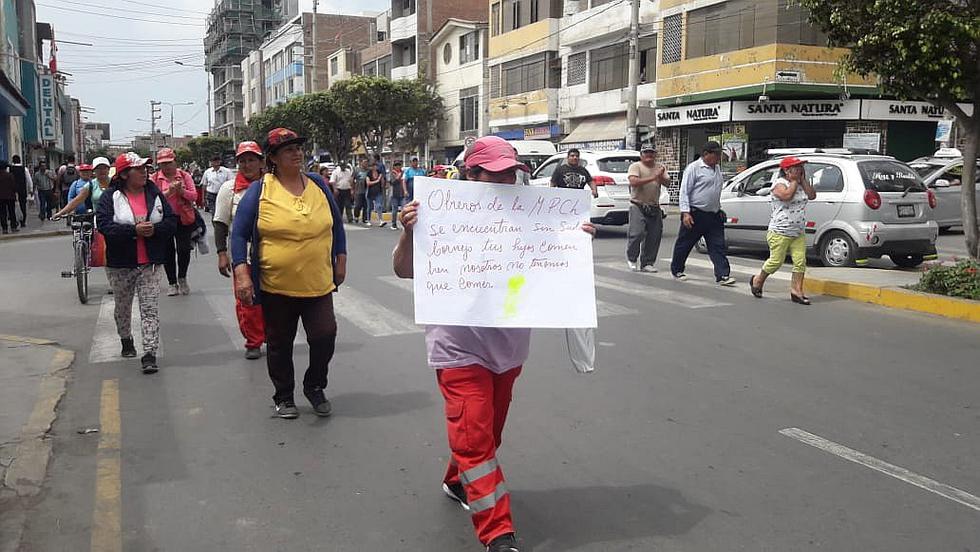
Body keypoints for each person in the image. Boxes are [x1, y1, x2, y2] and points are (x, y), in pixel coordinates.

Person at [393, 136, 595, 552]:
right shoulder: (438, 210)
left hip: (508, 345)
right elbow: (403, 270)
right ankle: (498, 533)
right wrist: (408, 233)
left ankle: (456, 480)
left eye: (510, 171)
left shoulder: (531, 211)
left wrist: (574, 240)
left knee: (486, 433)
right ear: (471, 173)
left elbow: (551, 268)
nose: (505, 179)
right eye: (495, 173)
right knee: (475, 438)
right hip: (457, 345)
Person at [231, 128, 347, 419]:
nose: (296, 153)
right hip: (276, 286)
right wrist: (242, 273)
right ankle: (283, 395)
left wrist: (341, 259)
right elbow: (238, 235)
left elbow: (337, 225)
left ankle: (314, 385)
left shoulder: (318, 183)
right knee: (279, 342)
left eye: (298, 148)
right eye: (288, 150)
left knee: (325, 335)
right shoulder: (260, 190)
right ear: (273, 158)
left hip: (318, 282)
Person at [96, 152, 178, 374]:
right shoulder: (110, 197)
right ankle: (126, 339)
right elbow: (104, 225)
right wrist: (133, 230)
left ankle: (149, 354)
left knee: (149, 309)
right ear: (124, 174)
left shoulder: (155, 194)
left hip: (150, 264)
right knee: (123, 308)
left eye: (145, 168)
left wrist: (155, 229)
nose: (144, 172)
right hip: (121, 264)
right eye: (138, 169)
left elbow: (171, 221)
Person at [214, 141, 266, 359]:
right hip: (243, 254)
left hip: (274, 252)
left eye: (251, 159)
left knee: (275, 299)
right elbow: (221, 223)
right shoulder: (229, 189)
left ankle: (274, 336)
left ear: (262, 161)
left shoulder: (274, 184)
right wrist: (222, 253)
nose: (247, 164)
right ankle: (253, 341)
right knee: (247, 299)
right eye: (242, 160)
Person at [750, 156, 817, 305]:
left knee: (800, 262)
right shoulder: (779, 184)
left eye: (801, 168)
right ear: (787, 171)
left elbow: (812, 195)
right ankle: (758, 280)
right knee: (776, 262)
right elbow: (786, 196)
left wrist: (803, 181)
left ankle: (797, 292)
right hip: (780, 231)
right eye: (796, 168)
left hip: (798, 231)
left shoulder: (801, 184)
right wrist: (794, 181)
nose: (800, 170)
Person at [670, 141, 736, 286]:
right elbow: (684, 192)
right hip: (695, 213)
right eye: (716, 154)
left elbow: (714, 191)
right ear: (706, 154)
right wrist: (685, 213)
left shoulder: (717, 168)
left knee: (717, 245)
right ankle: (677, 269)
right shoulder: (694, 168)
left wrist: (718, 207)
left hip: (713, 214)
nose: (719, 157)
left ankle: (723, 275)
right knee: (685, 243)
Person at [150, 148, 198, 296]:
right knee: (167, 252)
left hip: (183, 218)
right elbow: (152, 199)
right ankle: (172, 283)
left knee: (183, 249)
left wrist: (182, 192)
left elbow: (194, 196)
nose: (167, 166)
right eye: (163, 164)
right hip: (164, 219)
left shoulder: (184, 176)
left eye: (169, 163)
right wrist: (169, 192)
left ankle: (182, 277)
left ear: (174, 161)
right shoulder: (154, 178)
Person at [626, 146, 670, 272]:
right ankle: (632, 258)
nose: (649, 155)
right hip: (638, 204)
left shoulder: (659, 167)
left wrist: (660, 176)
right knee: (637, 233)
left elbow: (667, 183)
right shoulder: (636, 166)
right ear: (641, 155)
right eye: (646, 152)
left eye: (651, 153)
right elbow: (633, 182)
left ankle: (647, 262)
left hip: (654, 206)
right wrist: (653, 177)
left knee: (654, 235)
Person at [10, 155, 32, 228]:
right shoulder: (24, 169)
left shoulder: (10, 169)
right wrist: (31, 189)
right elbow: (29, 180)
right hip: (22, 190)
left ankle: (15, 220)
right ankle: (23, 221)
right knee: (23, 206)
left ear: (13, 161)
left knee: (14, 206)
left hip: (13, 190)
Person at [388, 161, 407, 230]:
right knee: (394, 210)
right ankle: (394, 224)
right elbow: (391, 182)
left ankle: (404, 224)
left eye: (399, 165)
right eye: (396, 165)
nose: (398, 167)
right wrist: (397, 177)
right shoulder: (391, 174)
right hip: (394, 194)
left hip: (402, 193)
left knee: (404, 209)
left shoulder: (404, 173)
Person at [0, 161, 17, 234]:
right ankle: (13, 227)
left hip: (1, 197)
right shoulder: (10, 175)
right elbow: (14, 186)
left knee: (2, 213)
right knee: (12, 212)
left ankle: (4, 228)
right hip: (10, 196)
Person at [353, 158, 369, 224]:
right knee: (358, 205)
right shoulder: (356, 170)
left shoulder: (368, 170)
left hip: (366, 190)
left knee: (366, 205)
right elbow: (352, 179)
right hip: (358, 190)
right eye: (364, 162)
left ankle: (364, 218)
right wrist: (352, 188)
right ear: (361, 162)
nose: (366, 164)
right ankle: (356, 216)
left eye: (366, 162)